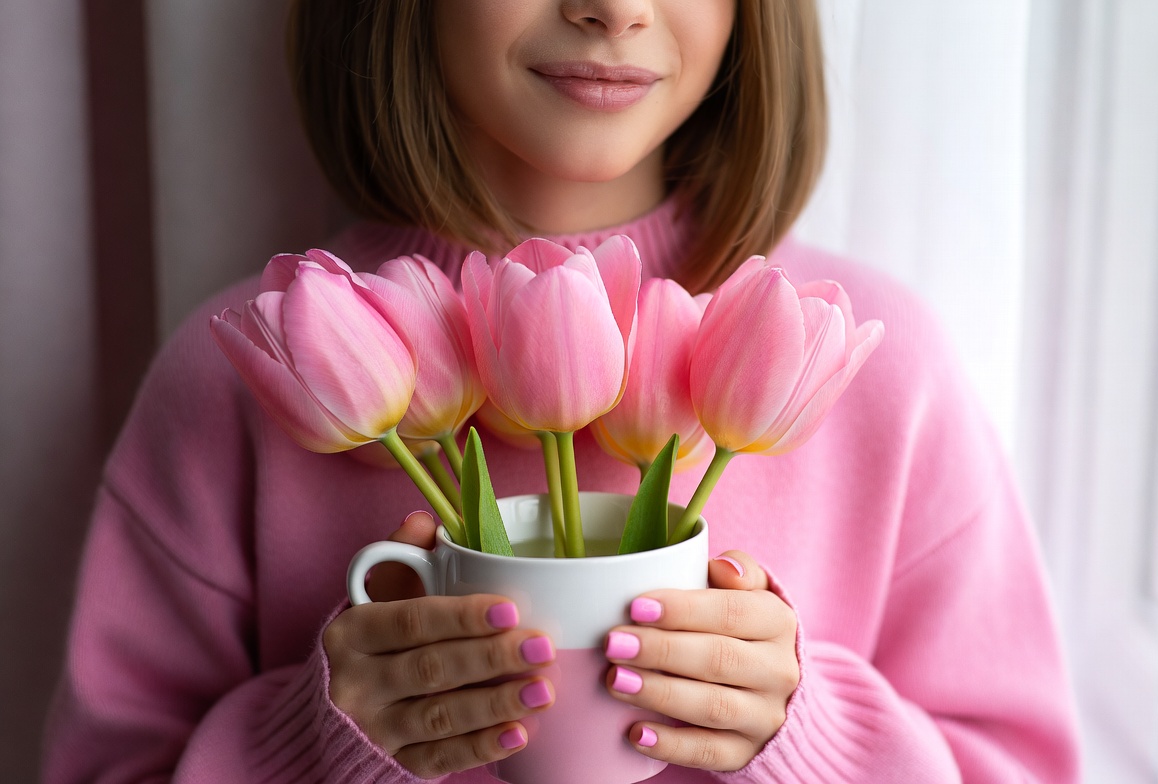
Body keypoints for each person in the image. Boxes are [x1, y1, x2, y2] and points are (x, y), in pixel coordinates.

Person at [43, 1, 1080, 782]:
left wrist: (807, 735)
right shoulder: (253, 372)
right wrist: (323, 744)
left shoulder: (865, 366)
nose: (611, 5)